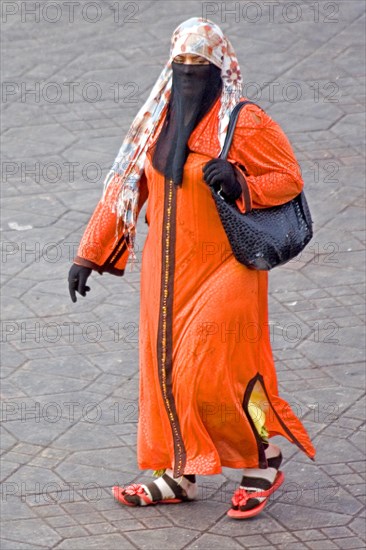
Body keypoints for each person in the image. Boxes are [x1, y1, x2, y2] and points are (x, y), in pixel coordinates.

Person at [68, 17, 315, 519]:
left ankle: (263, 457)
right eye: (180, 65)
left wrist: (243, 181)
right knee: (163, 371)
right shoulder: (157, 123)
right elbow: (125, 191)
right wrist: (88, 254)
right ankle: (177, 473)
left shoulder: (243, 122)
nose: (188, 76)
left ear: (219, 70)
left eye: (198, 67)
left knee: (208, 370)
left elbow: (288, 177)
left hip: (230, 266)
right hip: (165, 275)